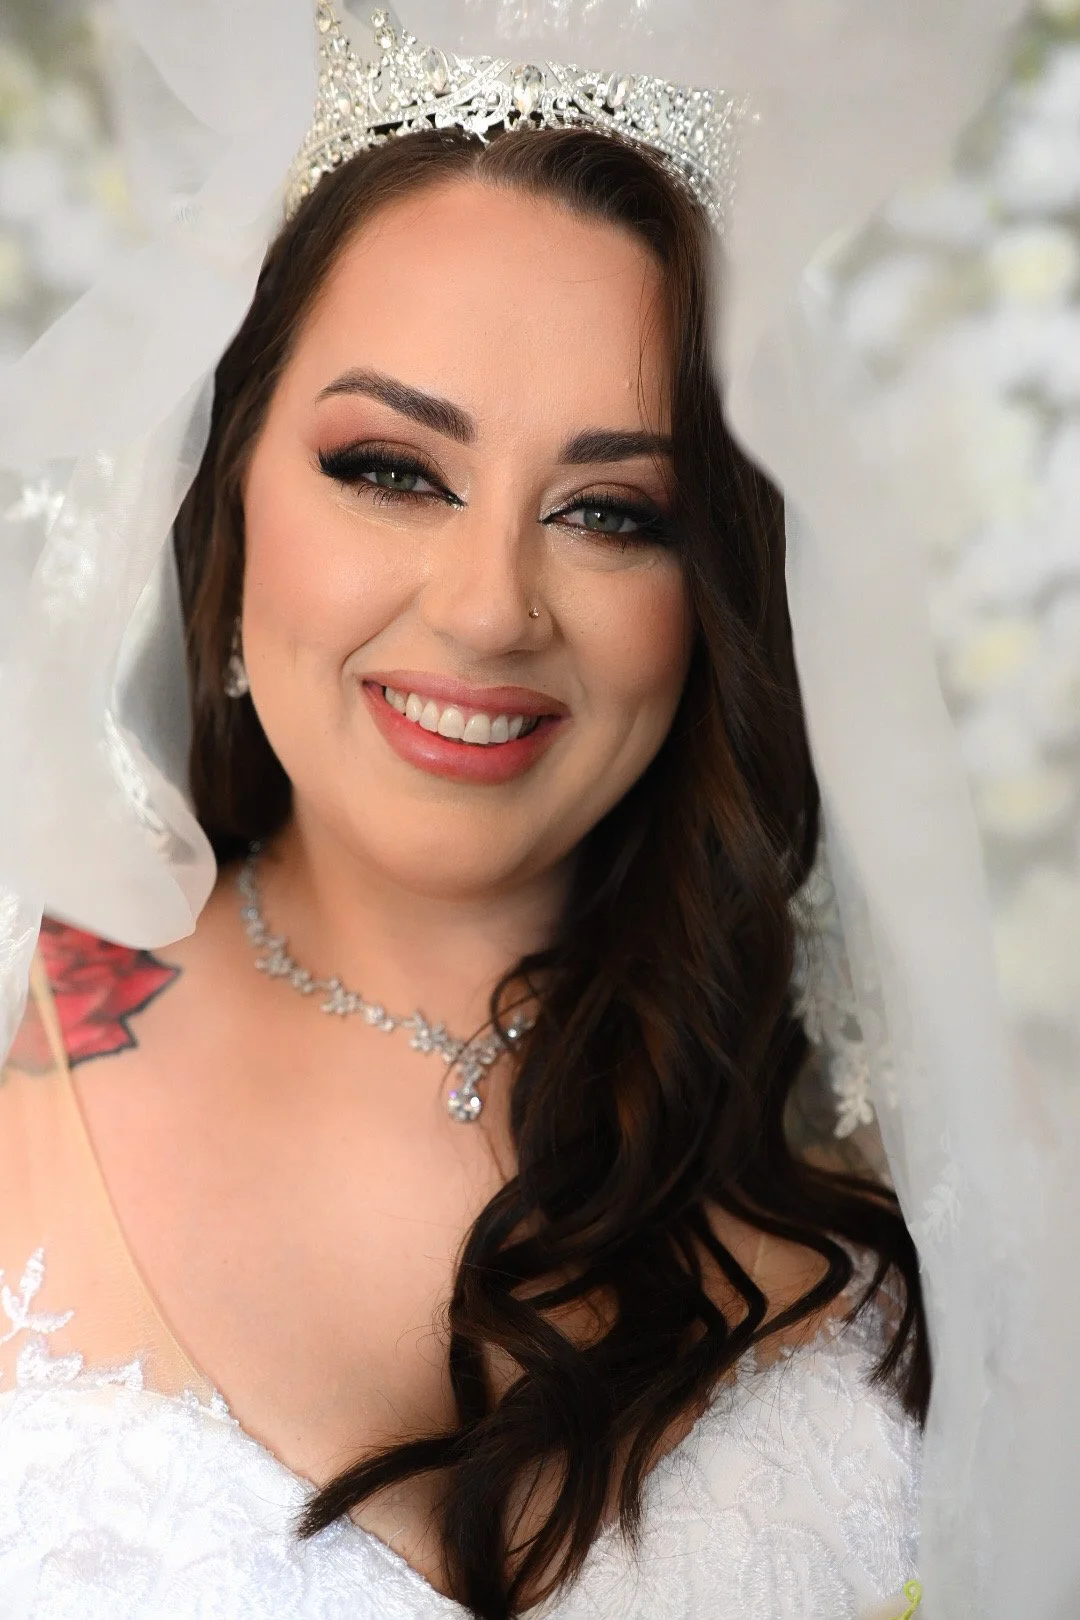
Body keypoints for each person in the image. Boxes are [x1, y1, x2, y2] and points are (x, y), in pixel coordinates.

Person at [0, 5, 1031, 1619]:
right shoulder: (16, 1034)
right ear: (228, 488)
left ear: (711, 600)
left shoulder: (931, 1181)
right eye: (392, 468)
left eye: (610, 510)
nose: (490, 611)